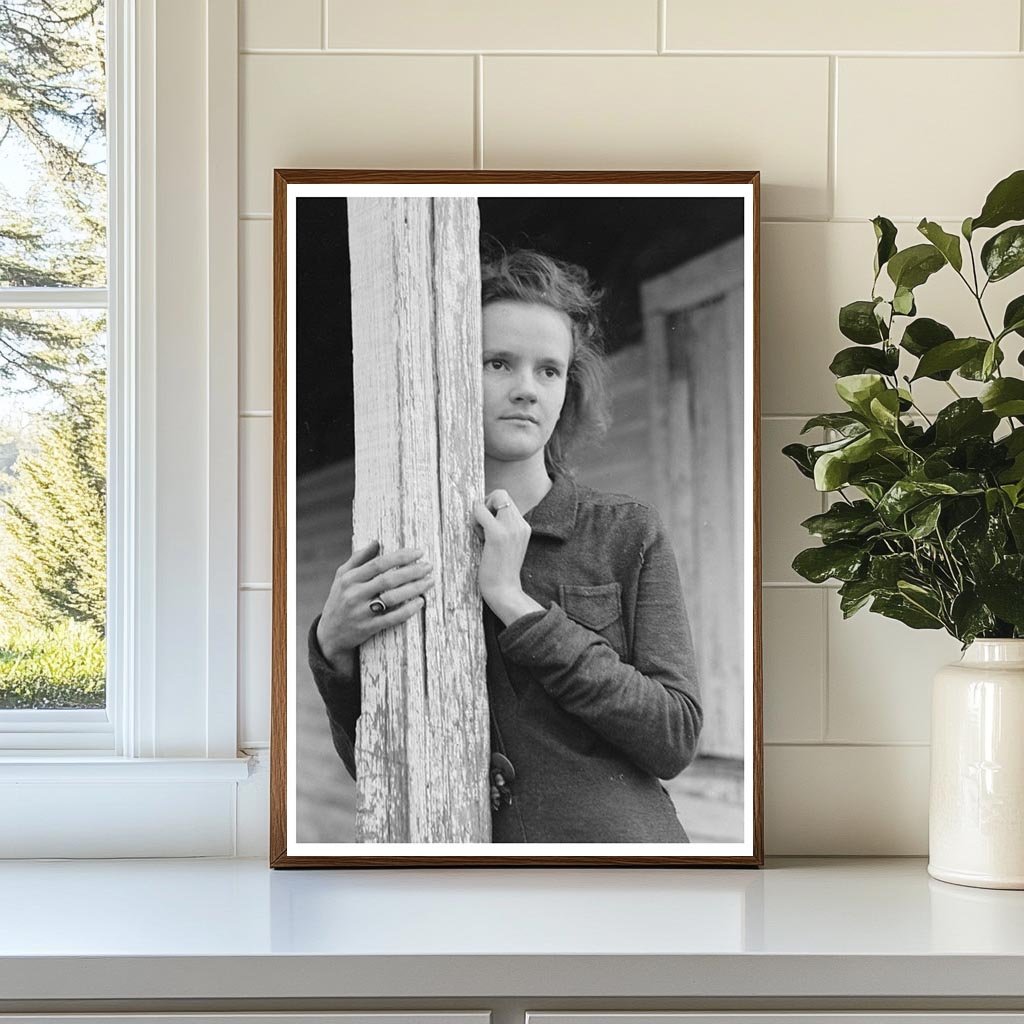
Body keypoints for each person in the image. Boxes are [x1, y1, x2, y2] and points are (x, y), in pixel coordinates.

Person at [308, 245, 702, 843]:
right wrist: (333, 650)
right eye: (498, 363)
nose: (527, 389)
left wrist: (516, 604)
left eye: (549, 370)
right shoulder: (414, 545)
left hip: (624, 875)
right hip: (476, 890)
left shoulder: (625, 531)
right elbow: (378, 772)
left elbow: (673, 736)